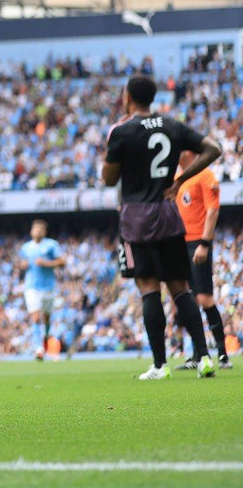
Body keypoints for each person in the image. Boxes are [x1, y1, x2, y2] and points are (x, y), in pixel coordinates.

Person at [103, 75, 222, 380]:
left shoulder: (122, 130)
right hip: (168, 214)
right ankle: (205, 358)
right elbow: (213, 148)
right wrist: (180, 179)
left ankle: (159, 365)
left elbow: (109, 179)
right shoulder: (172, 125)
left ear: (127, 96)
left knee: (148, 289)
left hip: (137, 218)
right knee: (181, 288)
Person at [174, 150, 230, 370]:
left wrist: (205, 243)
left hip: (197, 242)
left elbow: (212, 210)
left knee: (205, 298)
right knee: (187, 300)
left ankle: (223, 354)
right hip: (179, 244)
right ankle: (198, 354)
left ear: (188, 151)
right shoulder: (177, 178)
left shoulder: (206, 176)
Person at [18, 219, 65, 361]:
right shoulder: (26, 248)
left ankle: (45, 338)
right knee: (36, 317)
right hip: (31, 286)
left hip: (48, 287)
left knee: (46, 318)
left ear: (44, 232)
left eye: (40, 229)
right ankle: (38, 348)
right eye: (35, 229)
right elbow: (21, 264)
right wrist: (23, 265)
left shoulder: (51, 245)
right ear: (31, 231)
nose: (37, 231)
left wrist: (46, 263)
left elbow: (62, 262)